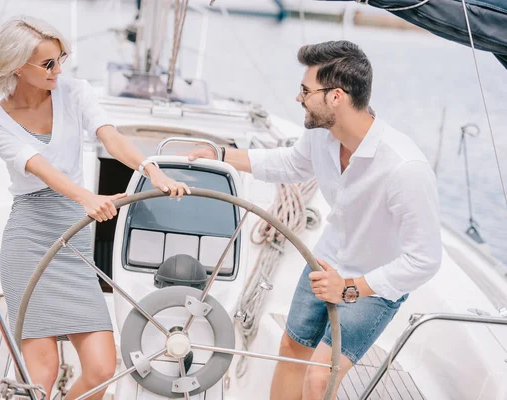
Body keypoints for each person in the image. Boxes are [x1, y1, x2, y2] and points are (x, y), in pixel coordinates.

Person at [188, 40, 442, 399]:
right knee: (292, 351)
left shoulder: (404, 168)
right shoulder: (321, 136)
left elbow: (424, 260)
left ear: (336, 97)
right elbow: (291, 164)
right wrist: (221, 154)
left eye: (305, 91)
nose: (298, 98)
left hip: (372, 284)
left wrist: (350, 287)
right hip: (323, 263)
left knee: (321, 377)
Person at [0, 16, 190, 399]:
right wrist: (87, 198)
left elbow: (108, 136)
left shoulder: (74, 92)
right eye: (48, 64)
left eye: (61, 59)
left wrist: (151, 170)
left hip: (74, 236)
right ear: (15, 66)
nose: (59, 70)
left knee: (101, 370)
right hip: (30, 238)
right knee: (42, 371)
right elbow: (38, 167)